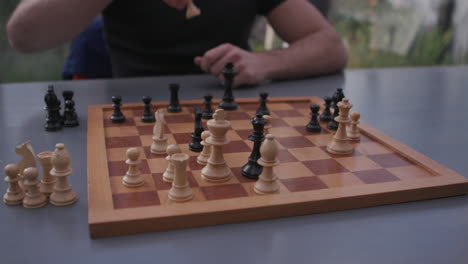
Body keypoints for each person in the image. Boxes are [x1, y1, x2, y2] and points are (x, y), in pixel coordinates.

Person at [7, 0, 347, 87]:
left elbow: (330, 46)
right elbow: (23, 35)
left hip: (231, 118)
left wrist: (266, 62)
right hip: (133, 125)